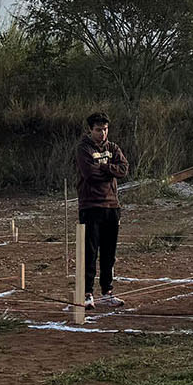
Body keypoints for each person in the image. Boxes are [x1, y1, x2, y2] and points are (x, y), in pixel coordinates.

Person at [75, 112, 130, 310]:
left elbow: (124, 169)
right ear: (90, 130)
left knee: (109, 252)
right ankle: (87, 293)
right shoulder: (83, 148)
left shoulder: (113, 148)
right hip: (91, 206)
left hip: (112, 206)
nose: (102, 133)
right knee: (90, 251)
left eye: (105, 129)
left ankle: (107, 292)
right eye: (98, 130)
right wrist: (109, 170)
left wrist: (105, 167)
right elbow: (90, 174)